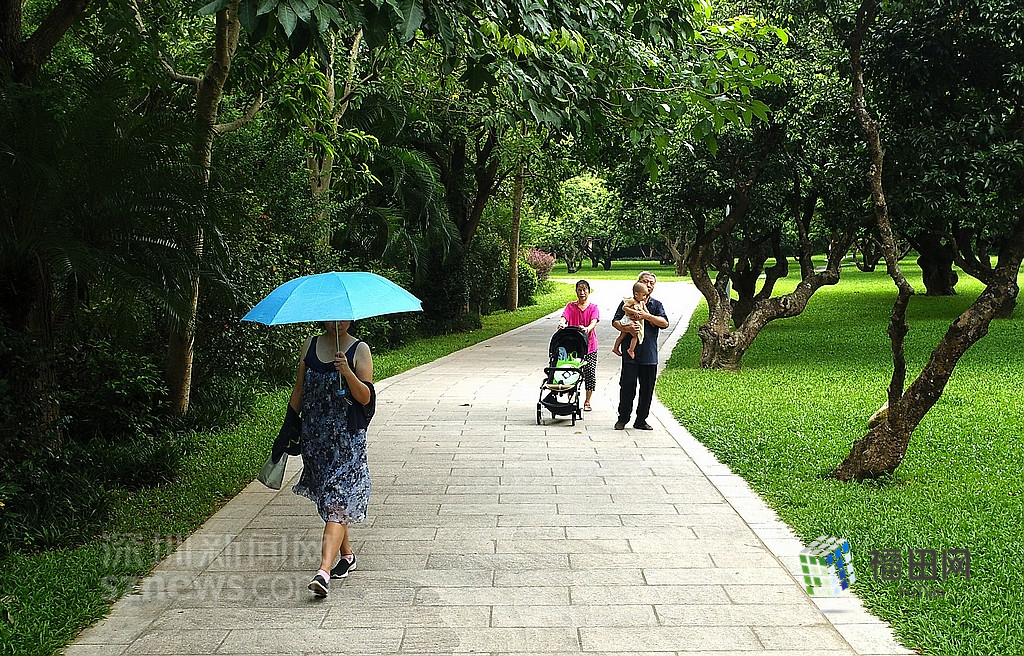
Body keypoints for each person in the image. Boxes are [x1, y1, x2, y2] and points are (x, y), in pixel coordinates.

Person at [288, 320, 374, 597]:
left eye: (343, 316)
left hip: (347, 441)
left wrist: (347, 372)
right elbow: (299, 390)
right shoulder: (310, 345)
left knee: (335, 501)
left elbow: (366, 398)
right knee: (333, 501)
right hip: (316, 440)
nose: (337, 321)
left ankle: (323, 572)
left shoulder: (359, 349)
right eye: (331, 316)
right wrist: (288, 426)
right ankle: (347, 556)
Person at [612, 271, 669, 431]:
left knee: (647, 389)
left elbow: (664, 323)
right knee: (627, 386)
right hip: (630, 353)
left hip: (649, 354)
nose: (648, 285)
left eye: (651, 283)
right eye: (645, 281)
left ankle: (641, 420)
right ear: (638, 284)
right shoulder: (628, 301)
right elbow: (615, 321)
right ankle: (623, 418)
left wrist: (647, 316)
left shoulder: (656, 305)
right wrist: (626, 328)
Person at [557, 280, 600, 410]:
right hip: (573, 346)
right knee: (570, 371)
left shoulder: (593, 307)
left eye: (584, 290)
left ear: (588, 291)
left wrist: (587, 329)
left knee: (590, 372)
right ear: (576, 292)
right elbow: (564, 317)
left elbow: (594, 322)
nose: (582, 292)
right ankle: (571, 396)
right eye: (579, 290)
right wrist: (562, 323)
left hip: (589, 346)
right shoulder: (571, 306)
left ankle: (587, 401)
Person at [611, 281, 650, 359]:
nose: (645, 297)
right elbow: (624, 307)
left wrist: (645, 315)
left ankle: (616, 348)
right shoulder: (632, 300)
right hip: (628, 320)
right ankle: (630, 350)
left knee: (623, 335)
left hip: (634, 321)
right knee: (635, 335)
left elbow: (647, 312)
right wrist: (634, 311)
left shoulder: (641, 302)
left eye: (646, 295)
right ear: (636, 294)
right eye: (643, 295)